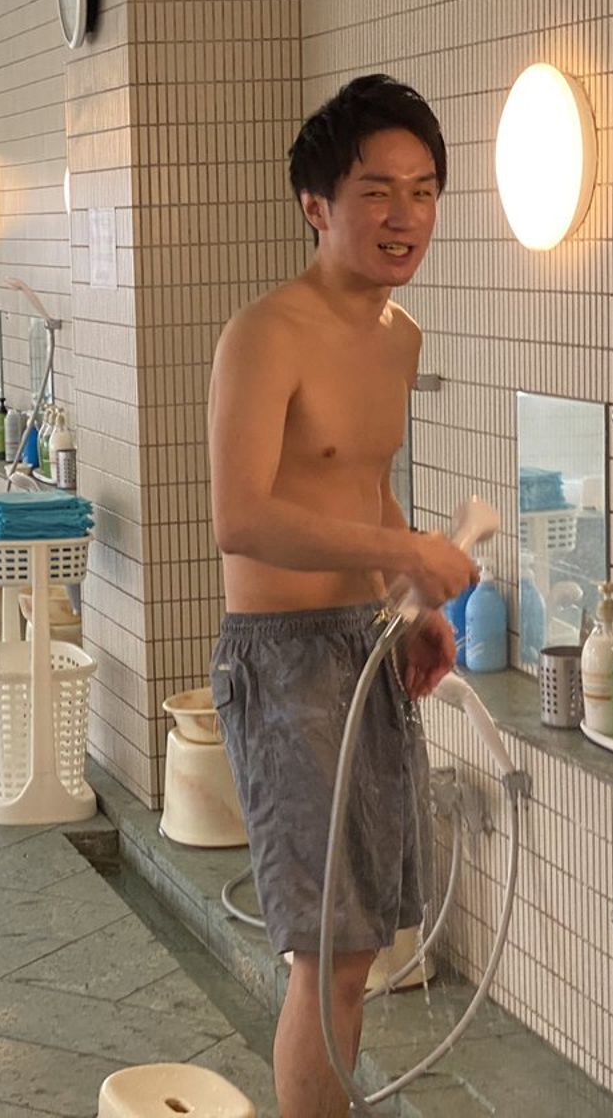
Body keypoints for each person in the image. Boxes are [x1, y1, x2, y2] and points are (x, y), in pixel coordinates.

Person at [206, 74, 480, 1118]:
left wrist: (410, 601)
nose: (403, 215)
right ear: (316, 206)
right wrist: (403, 550)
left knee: (361, 950)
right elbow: (241, 517)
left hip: (362, 644)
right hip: (281, 659)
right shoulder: (265, 334)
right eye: (375, 191)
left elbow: (363, 484)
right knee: (328, 959)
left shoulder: (398, 336)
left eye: (422, 190)